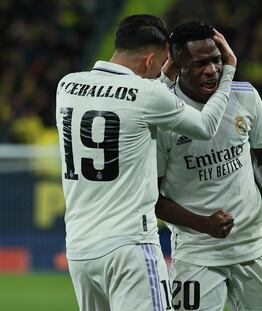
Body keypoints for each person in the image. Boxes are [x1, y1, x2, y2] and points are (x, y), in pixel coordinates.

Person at [55, 14, 237, 311]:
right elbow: (205, 126)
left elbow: (122, 106)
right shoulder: (148, 94)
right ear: (151, 58)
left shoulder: (67, 86)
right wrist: (228, 71)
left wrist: (159, 79)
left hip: (80, 251)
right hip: (130, 248)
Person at [156, 21, 262, 311]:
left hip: (253, 246)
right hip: (196, 254)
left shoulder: (245, 95)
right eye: (199, 64)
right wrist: (203, 224)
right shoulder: (163, 114)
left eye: (216, 60)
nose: (212, 70)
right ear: (178, 66)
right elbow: (151, 197)